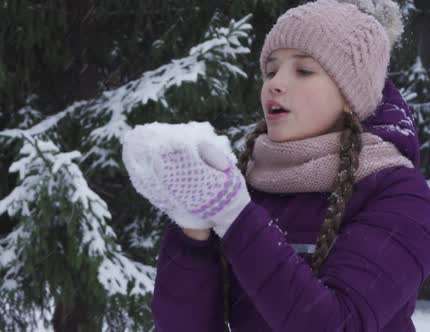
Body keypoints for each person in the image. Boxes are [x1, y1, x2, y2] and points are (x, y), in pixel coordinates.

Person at [121, 0, 430, 331]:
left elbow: (337, 324)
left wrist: (235, 215)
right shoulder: (242, 183)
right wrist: (190, 227)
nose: (275, 83)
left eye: (304, 70)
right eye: (270, 70)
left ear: (350, 96)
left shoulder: (401, 195)